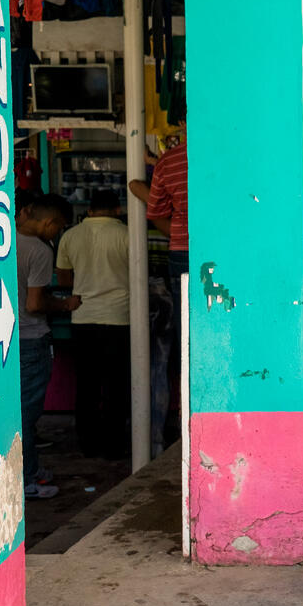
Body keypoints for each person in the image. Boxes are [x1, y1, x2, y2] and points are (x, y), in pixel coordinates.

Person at [55, 189, 130, 459]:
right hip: (119, 318)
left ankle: (87, 444)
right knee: (117, 385)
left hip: (83, 318)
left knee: (87, 385)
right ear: (118, 210)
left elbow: (63, 279)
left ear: (89, 210)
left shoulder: (70, 236)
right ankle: (114, 446)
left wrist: (83, 286)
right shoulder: (127, 235)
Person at [16, 194, 80, 499]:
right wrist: (65, 304)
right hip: (30, 341)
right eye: (59, 228)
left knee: (12, 412)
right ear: (50, 223)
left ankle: (30, 468)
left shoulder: (0, 240)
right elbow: (34, 303)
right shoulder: (39, 251)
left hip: (3, 339)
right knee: (26, 415)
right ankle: (26, 479)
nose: (57, 234)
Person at [128, 128, 186, 456]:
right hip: (222, 252)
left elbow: (156, 212)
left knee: (183, 344)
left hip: (183, 253)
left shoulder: (170, 160)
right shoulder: (228, 149)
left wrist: (136, 186)